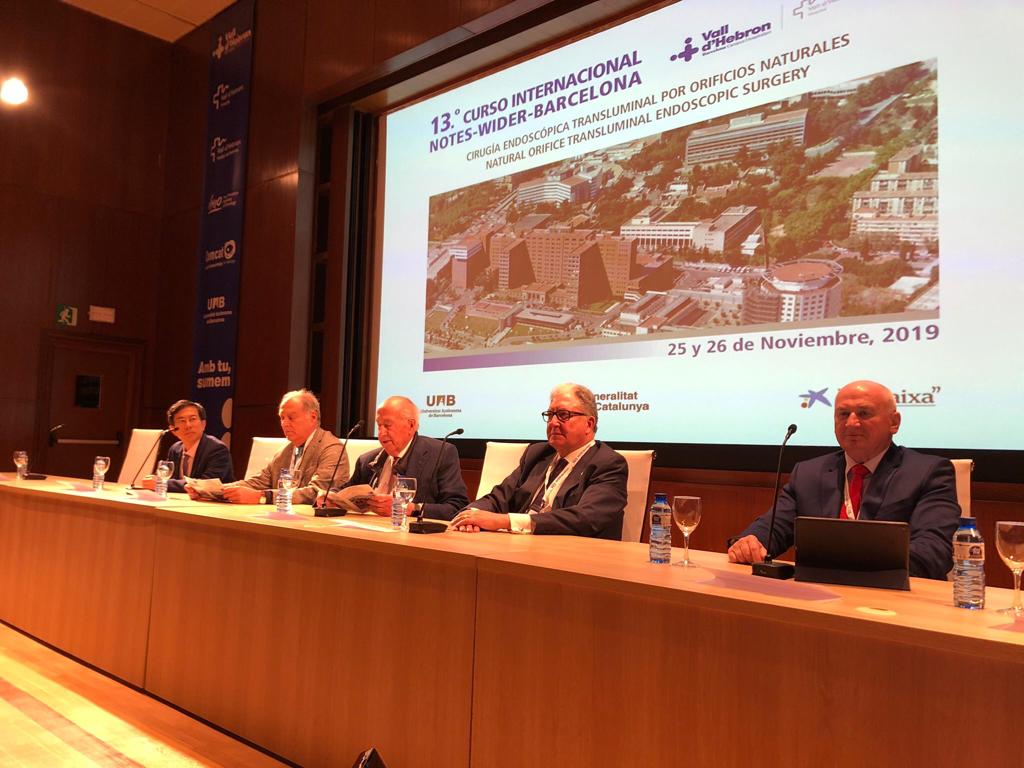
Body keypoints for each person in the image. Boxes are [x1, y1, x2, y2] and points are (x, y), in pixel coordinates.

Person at [728, 379, 960, 580]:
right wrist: (750, 542)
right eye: (843, 414)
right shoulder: (809, 473)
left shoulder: (928, 472)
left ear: (894, 422)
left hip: (895, 600)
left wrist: (854, 564)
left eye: (864, 413)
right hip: (818, 597)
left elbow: (934, 551)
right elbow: (773, 528)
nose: (851, 423)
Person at [449, 383, 628, 538]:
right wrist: (471, 515)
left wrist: (505, 521)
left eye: (563, 415)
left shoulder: (608, 463)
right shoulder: (537, 454)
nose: (553, 422)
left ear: (589, 424)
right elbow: (498, 497)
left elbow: (586, 518)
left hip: (572, 554)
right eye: (550, 415)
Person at [321, 395, 468, 519]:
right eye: (379, 426)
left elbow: (456, 507)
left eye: (387, 425)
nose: (381, 433)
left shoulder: (441, 453)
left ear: (411, 425)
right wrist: (330, 497)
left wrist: (409, 508)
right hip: (369, 531)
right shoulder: (367, 460)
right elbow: (345, 491)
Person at [193, 389, 345, 505]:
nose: (284, 423)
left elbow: (317, 492)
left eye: (291, 417)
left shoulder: (331, 449)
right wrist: (209, 491)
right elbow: (256, 483)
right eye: (282, 418)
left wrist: (262, 497)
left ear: (312, 417)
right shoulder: (284, 452)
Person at [143, 399, 233, 493]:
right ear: (173, 429)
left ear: (203, 424)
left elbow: (205, 484)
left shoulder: (217, 449)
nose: (188, 425)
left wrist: (162, 483)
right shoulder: (175, 449)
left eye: (192, 419)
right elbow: (168, 476)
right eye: (182, 421)